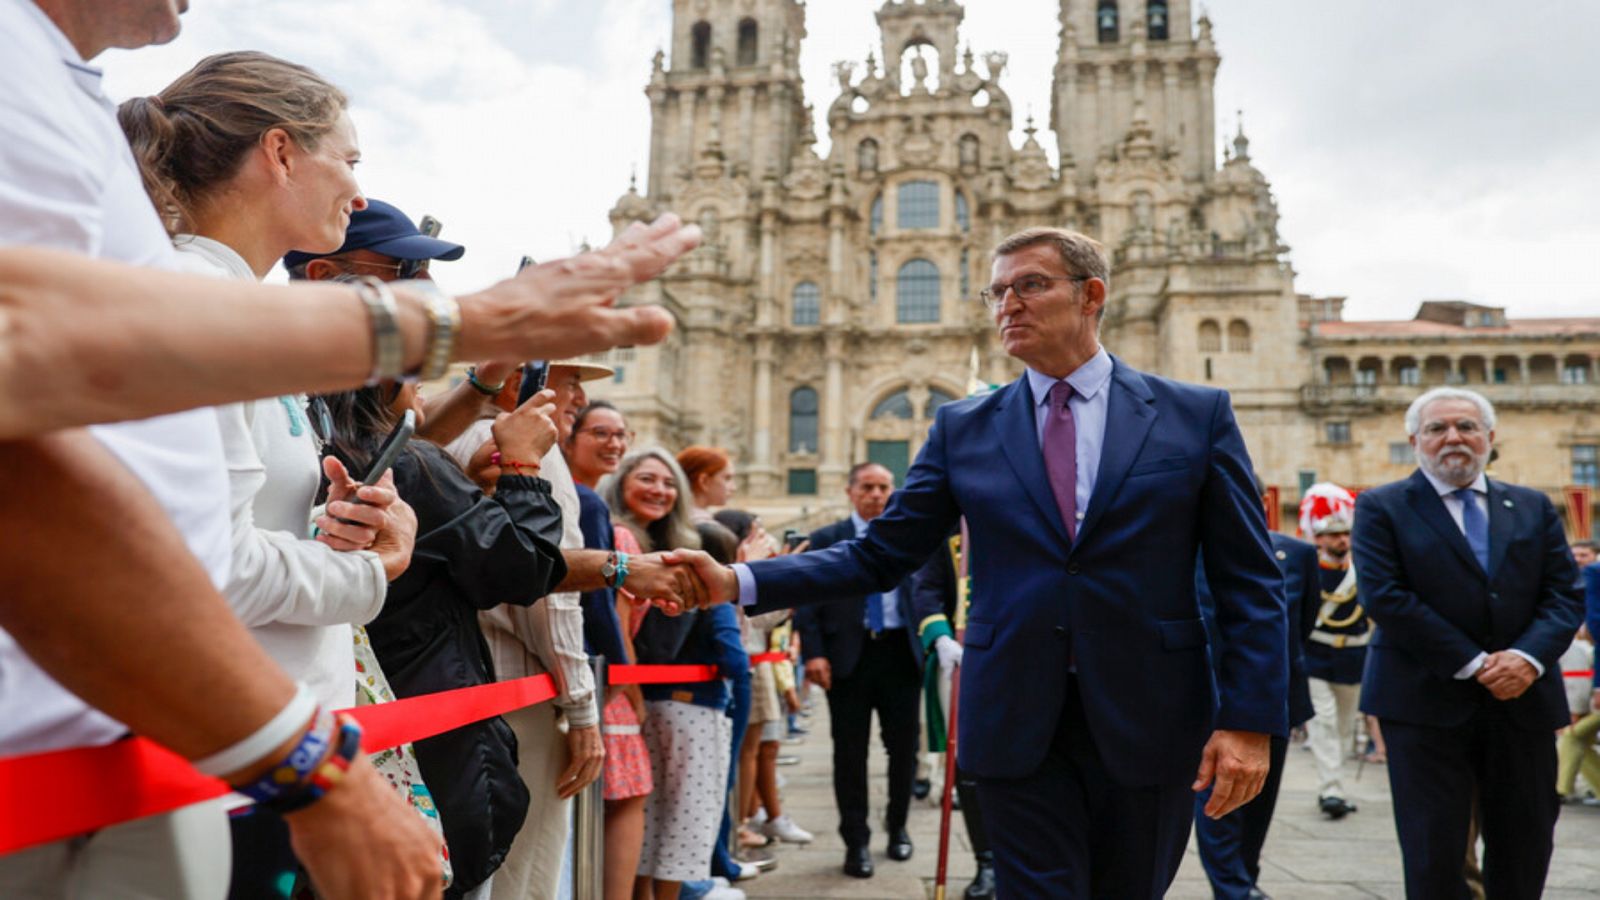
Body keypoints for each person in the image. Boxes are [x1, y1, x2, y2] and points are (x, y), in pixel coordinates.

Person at [672, 227, 1287, 898]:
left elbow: (1249, 582)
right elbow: (883, 553)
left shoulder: (1193, 415)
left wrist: (1250, 723)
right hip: (1014, 717)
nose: (1007, 305)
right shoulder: (962, 426)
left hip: (1151, 717)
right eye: (996, 291)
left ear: (1092, 295)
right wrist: (738, 579)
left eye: (1030, 285)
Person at [118, 52, 448, 894]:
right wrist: (367, 569)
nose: (361, 192)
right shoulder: (200, 306)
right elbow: (207, 573)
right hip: (230, 776)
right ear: (279, 153)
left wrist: (347, 524)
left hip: (263, 753)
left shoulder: (233, 308)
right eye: (350, 159)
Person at [319, 379, 567, 899]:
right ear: (384, 380)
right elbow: (522, 570)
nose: (425, 390)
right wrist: (523, 468)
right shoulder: (409, 466)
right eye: (415, 373)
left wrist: (467, 490)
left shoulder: (314, 457)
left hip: (328, 730)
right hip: (434, 739)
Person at [1354, 386, 1584, 899]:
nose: (1452, 438)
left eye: (1466, 426)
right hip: (1424, 703)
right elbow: (1387, 598)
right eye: (1437, 429)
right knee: (1435, 853)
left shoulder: (1531, 507)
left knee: (1525, 846)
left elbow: (1565, 595)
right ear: (1415, 440)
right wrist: (1477, 663)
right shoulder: (1382, 507)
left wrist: (1526, 658)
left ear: (1490, 437)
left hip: (1522, 703)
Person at [791, 462, 956, 878]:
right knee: (849, 754)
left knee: (903, 751)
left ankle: (898, 827)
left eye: (884, 487)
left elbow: (938, 591)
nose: (877, 494)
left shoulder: (913, 540)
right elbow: (807, 600)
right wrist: (813, 653)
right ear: (850, 491)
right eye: (868, 486)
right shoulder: (828, 539)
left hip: (902, 655)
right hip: (848, 657)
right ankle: (856, 841)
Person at [603, 448, 737, 900]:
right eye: (647, 479)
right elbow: (627, 633)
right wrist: (635, 694)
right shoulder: (621, 540)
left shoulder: (668, 545)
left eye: (667, 482)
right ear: (621, 483)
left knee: (649, 811)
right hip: (632, 697)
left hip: (640, 694)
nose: (659, 490)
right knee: (665, 812)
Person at [1194, 485, 1319, 900]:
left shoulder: (1296, 554)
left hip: (1274, 695)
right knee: (1217, 799)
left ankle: (1245, 878)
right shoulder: (1183, 553)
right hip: (1207, 696)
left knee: (1258, 799)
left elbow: (1300, 625)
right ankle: (1232, 888)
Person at [909, 527, 996, 899]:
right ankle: (988, 861)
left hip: (1032, 653)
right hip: (967, 658)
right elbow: (926, 589)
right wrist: (941, 636)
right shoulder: (950, 531)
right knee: (969, 763)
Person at [1293, 483, 1368, 820]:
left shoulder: (1360, 572)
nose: (1341, 540)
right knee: (1322, 724)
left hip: (1353, 656)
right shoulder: (1311, 570)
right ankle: (1331, 790)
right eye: (1333, 535)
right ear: (1319, 538)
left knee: (1344, 728)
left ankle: (1335, 785)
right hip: (1317, 656)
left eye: (1345, 533)